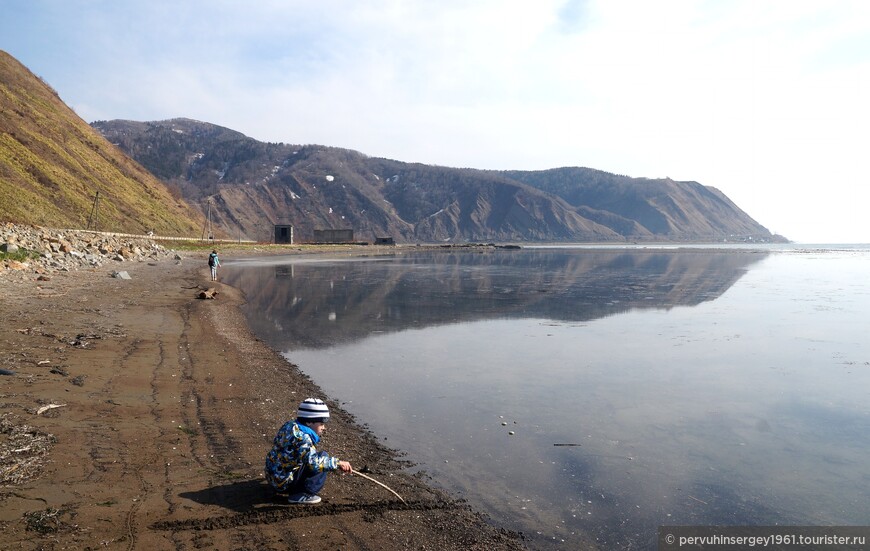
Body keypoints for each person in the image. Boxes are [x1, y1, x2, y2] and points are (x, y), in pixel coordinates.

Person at [265, 398, 353, 504]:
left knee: (315, 457)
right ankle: (302, 494)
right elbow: (313, 463)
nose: (324, 427)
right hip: (284, 483)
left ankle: (284, 483)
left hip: (274, 476)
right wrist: (337, 463)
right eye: (321, 423)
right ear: (309, 422)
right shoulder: (303, 438)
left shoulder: (290, 426)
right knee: (322, 458)